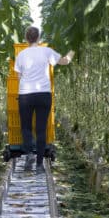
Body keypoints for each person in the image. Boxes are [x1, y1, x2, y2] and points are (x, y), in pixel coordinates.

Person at [14, 26, 74, 173]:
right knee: (41, 129)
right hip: (43, 94)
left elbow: (18, 76)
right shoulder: (46, 51)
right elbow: (65, 61)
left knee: (26, 127)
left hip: (26, 95)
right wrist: (73, 49)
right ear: (39, 38)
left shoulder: (21, 54)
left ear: (26, 38)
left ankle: (28, 154)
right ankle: (39, 165)